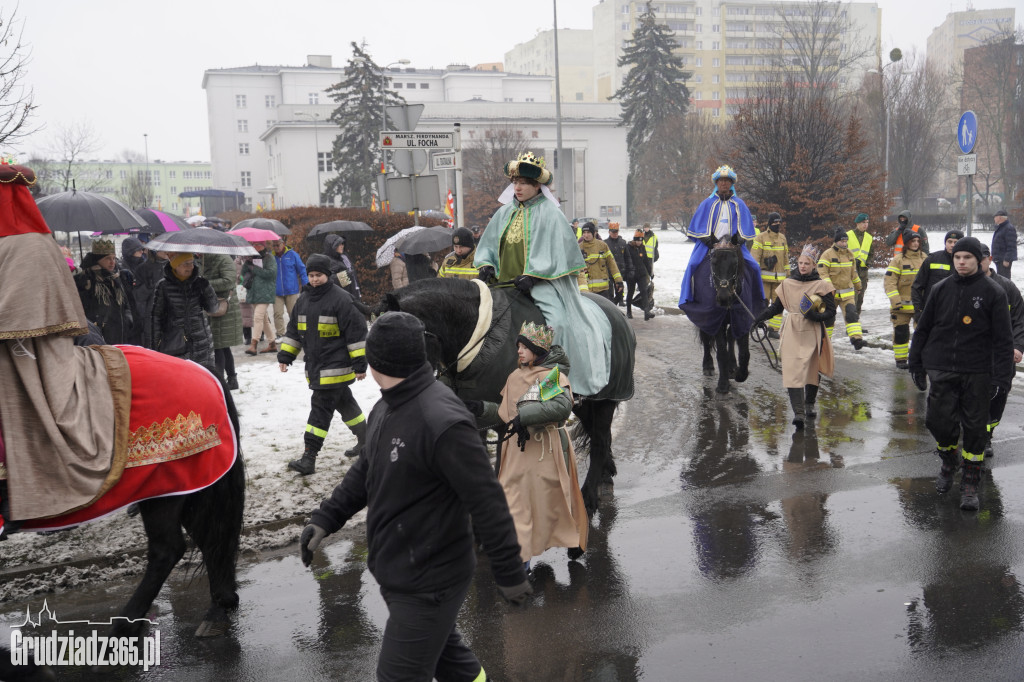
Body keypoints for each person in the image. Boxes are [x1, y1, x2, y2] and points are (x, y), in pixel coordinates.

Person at [298, 311, 531, 681]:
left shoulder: (441, 419)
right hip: (399, 569)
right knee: (450, 661)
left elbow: (486, 499)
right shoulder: (386, 405)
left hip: (430, 579)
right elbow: (365, 470)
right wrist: (327, 518)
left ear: (375, 361)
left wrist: (508, 571)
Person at [475, 151, 612, 397]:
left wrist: (535, 276)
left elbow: (561, 253)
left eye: (524, 183)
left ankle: (557, 388)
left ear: (537, 186)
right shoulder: (504, 212)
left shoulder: (551, 213)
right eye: (515, 182)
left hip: (541, 284)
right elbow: (488, 244)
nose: (518, 187)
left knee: (557, 323)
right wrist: (486, 264)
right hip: (503, 283)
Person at [466, 322, 588, 567]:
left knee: (553, 503)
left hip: (546, 450)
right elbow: (506, 415)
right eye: (518, 346)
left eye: (525, 347)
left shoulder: (552, 376)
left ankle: (572, 539)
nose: (519, 351)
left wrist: (526, 417)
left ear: (537, 349)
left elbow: (562, 408)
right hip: (516, 453)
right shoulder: (515, 375)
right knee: (515, 505)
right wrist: (481, 408)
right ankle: (521, 564)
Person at [908, 236, 1013, 511]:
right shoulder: (941, 289)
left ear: (978, 260)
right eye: (957, 257)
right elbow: (924, 329)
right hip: (942, 368)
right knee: (938, 422)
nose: (962, 261)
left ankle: (969, 482)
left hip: (978, 371)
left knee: (975, 430)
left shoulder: (994, 292)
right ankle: (947, 463)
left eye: (967, 257)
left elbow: (1003, 340)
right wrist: (916, 363)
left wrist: (1002, 379)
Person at [281, 254, 369, 475]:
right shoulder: (303, 300)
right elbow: (293, 330)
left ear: (327, 275)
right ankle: (367, 440)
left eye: (318, 275)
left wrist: (360, 365)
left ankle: (309, 457)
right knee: (345, 403)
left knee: (319, 412)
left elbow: (356, 333)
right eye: (310, 275)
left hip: (334, 368)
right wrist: (285, 356)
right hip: (317, 367)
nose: (314, 279)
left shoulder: (341, 299)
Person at [755, 245, 836, 430]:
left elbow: (831, 312)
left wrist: (816, 316)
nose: (803, 266)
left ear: (814, 265)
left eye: (807, 263)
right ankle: (798, 412)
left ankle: (809, 402)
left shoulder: (822, 286)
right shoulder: (787, 284)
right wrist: (758, 319)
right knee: (792, 370)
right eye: (800, 263)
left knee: (811, 369)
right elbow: (776, 308)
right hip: (791, 329)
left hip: (813, 330)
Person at [679, 165, 762, 308]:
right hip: (710, 245)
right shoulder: (706, 203)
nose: (724, 183)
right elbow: (698, 228)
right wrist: (709, 241)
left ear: (731, 184)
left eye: (727, 180)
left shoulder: (740, 204)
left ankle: (757, 301)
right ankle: (688, 299)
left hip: (734, 247)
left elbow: (746, 229)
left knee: (754, 266)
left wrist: (738, 240)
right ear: (716, 183)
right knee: (692, 265)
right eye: (721, 180)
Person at [978, 242, 1024, 459]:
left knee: (997, 398)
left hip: (1001, 356)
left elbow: (1019, 320)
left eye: (983, 257)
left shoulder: (1007, 288)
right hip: (971, 355)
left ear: (990, 259)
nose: (980, 261)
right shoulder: (958, 286)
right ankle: (971, 435)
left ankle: (987, 435)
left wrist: (1018, 346)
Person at [148, 252, 218, 372]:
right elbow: (156, 317)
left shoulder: (199, 283)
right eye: (186, 264)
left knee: (203, 380)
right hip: (176, 343)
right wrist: (155, 347)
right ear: (175, 265)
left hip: (201, 342)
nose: (190, 267)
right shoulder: (163, 286)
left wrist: (207, 289)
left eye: (191, 263)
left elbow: (213, 309)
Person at [73, 238, 135, 345]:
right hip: (98, 337)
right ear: (97, 260)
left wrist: (128, 318)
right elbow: (79, 310)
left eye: (114, 258)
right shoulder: (84, 280)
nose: (112, 262)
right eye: (107, 258)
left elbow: (125, 303)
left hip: (120, 333)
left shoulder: (117, 277)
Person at [200, 252, 244, 390]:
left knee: (219, 346)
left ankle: (221, 382)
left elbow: (229, 281)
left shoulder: (223, 259)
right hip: (213, 305)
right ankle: (231, 379)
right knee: (222, 346)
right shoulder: (204, 259)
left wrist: (204, 283)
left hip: (224, 307)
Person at [884, 230, 926, 368]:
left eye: (917, 241)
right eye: (912, 241)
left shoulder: (925, 258)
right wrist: (895, 301)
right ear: (906, 243)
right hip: (901, 306)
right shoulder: (898, 260)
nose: (915, 244)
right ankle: (901, 360)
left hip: (920, 305)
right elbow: (889, 282)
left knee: (922, 333)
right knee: (901, 333)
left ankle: (920, 358)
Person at [816, 229, 865, 349]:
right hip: (831, 295)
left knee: (852, 315)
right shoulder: (827, 254)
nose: (844, 243)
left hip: (847, 294)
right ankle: (825, 342)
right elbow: (822, 273)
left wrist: (858, 286)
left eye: (846, 241)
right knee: (828, 319)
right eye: (842, 241)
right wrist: (829, 288)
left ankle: (856, 340)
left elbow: (853, 273)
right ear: (836, 241)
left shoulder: (849, 254)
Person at [911, 229, 964, 320]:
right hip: (933, 311)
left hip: (957, 313)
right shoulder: (932, 259)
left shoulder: (967, 262)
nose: (952, 245)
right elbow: (917, 286)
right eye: (949, 241)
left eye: (956, 242)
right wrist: (918, 310)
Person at [751, 212, 788, 339]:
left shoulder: (782, 238)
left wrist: (788, 276)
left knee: (778, 304)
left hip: (780, 280)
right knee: (763, 303)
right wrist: (759, 270)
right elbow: (754, 258)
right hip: (764, 279)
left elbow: (786, 258)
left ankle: (773, 329)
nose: (777, 225)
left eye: (779, 223)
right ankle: (758, 322)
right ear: (769, 223)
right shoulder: (760, 237)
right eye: (775, 223)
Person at [241, 241, 278, 355]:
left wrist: (255, 268)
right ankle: (272, 343)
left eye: (258, 244)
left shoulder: (269, 258)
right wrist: (247, 263)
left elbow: (271, 274)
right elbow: (243, 273)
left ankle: (254, 344)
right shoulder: (250, 258)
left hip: (265, 293)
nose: (256, 247)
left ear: (264, 245)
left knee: (257, 317)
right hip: (253, 292)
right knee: (264, 319)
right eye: (254, 244)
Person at [273, 238, 308, 339]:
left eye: (277, 245)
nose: (276, 248)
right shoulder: (271, 257)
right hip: (276, 291)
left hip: (291, 290)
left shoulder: (293, 255)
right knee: (277, 313)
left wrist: (306, 285)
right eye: (274, 246)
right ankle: (280, 334)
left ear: (283, 244)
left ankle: (297, 333)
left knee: (293, 313)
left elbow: (302, 270)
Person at [579, 222, 623, 301]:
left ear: (594, 233)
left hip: (603, 290)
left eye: (588, 232)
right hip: (587, 290)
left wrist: (618, 281)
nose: (586, 235)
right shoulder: (579, 247)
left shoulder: (602, 246)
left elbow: (612, 264)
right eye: (584, 233)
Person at [846, 213, 874, 318]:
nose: (865, 225)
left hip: (863, 272)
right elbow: (843, 252)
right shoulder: (848, 235)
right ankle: (851, 322)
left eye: (867, 222)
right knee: (852, 298)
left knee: (860, 299)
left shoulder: (869, 237)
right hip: (851, 272)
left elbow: (871, 254)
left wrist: (868, 263)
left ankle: (856, 322)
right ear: (857, 223)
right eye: (863, 222)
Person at [624, 229, 654, 320]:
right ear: (634, 240)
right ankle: (629, 311)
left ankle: (646, 311)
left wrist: (650, 272)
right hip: (631, 275)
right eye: (637, 240)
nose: (639, 242)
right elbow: (626, 261)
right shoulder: (628, 248)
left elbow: (646, 261)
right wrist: (627, 273)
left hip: (641, 274)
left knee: (644, 291)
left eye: (641, 241)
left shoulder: (642, 247)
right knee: (630, 292)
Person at [323, 233, 361, 299]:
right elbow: (329, 280)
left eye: (342, 244)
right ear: (332, 247)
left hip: (352, 293)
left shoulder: (343, 257)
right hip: (341, 298)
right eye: (338, 244)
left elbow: (353, 275)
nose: (342, 246)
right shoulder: (328, 261)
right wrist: (347, 275)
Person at [604, 223, 628, 304]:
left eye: (616, 232)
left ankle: (616, 305)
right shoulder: (605, 244)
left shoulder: (623, 243)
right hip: (609, 273)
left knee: (619, 294)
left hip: (620, 272)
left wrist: (629, 269)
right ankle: (612, 309)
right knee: (610, 294)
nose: (615, 234)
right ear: (609, 232)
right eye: (613, 232)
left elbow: (627, 257)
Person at [991, 209, 1017, 277]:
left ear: (1000, 217)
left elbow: (1011, 245)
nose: (994, 218)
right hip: (999, 259)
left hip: (1003, 260)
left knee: (1004, 279)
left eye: (995, 217)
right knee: (1000, 279)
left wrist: (1007, 259)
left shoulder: (1008, 228)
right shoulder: (1001, 227)